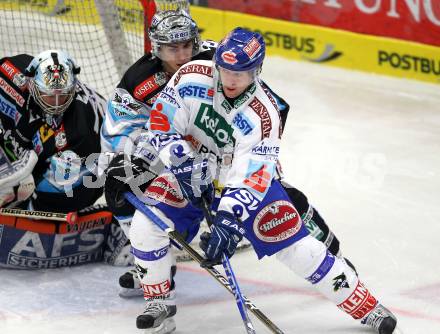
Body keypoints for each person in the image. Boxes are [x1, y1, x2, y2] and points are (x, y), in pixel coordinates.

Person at [105, 28, 398, 334]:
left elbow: (252, 176)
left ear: (257, 70)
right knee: (145, 225)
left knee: (299, 249)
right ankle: (160, 302)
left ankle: (367, 307)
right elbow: (162, 123)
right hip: (190, 169)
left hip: (242, 183)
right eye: (226, 70)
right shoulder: (191, 76)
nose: (231, 80)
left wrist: (229, 222)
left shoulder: (265, 114)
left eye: (241, 73)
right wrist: (183, 162)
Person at [103, 9, 347, 299]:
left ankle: (334, 257)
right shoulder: (138, 79)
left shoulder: (220, 60)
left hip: (231, 149)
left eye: (187, 46)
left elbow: (273, 108)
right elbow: (117, 130)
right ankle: (156, 265)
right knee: (118, 182)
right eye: (172, 48)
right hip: (174, 152)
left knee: (281, 195)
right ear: (156, 48)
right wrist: (138, 156)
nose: (182, 55)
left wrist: (247, 153)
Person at [0, 50, 128, 269]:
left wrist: (26, 188)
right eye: (49, 95)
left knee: (60, 195)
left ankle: (31, 203)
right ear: (32, 84)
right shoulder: (9, 73)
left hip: (88, 163)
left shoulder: (79, 128)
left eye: (63, 95)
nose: (57, 103)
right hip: (35, 140)